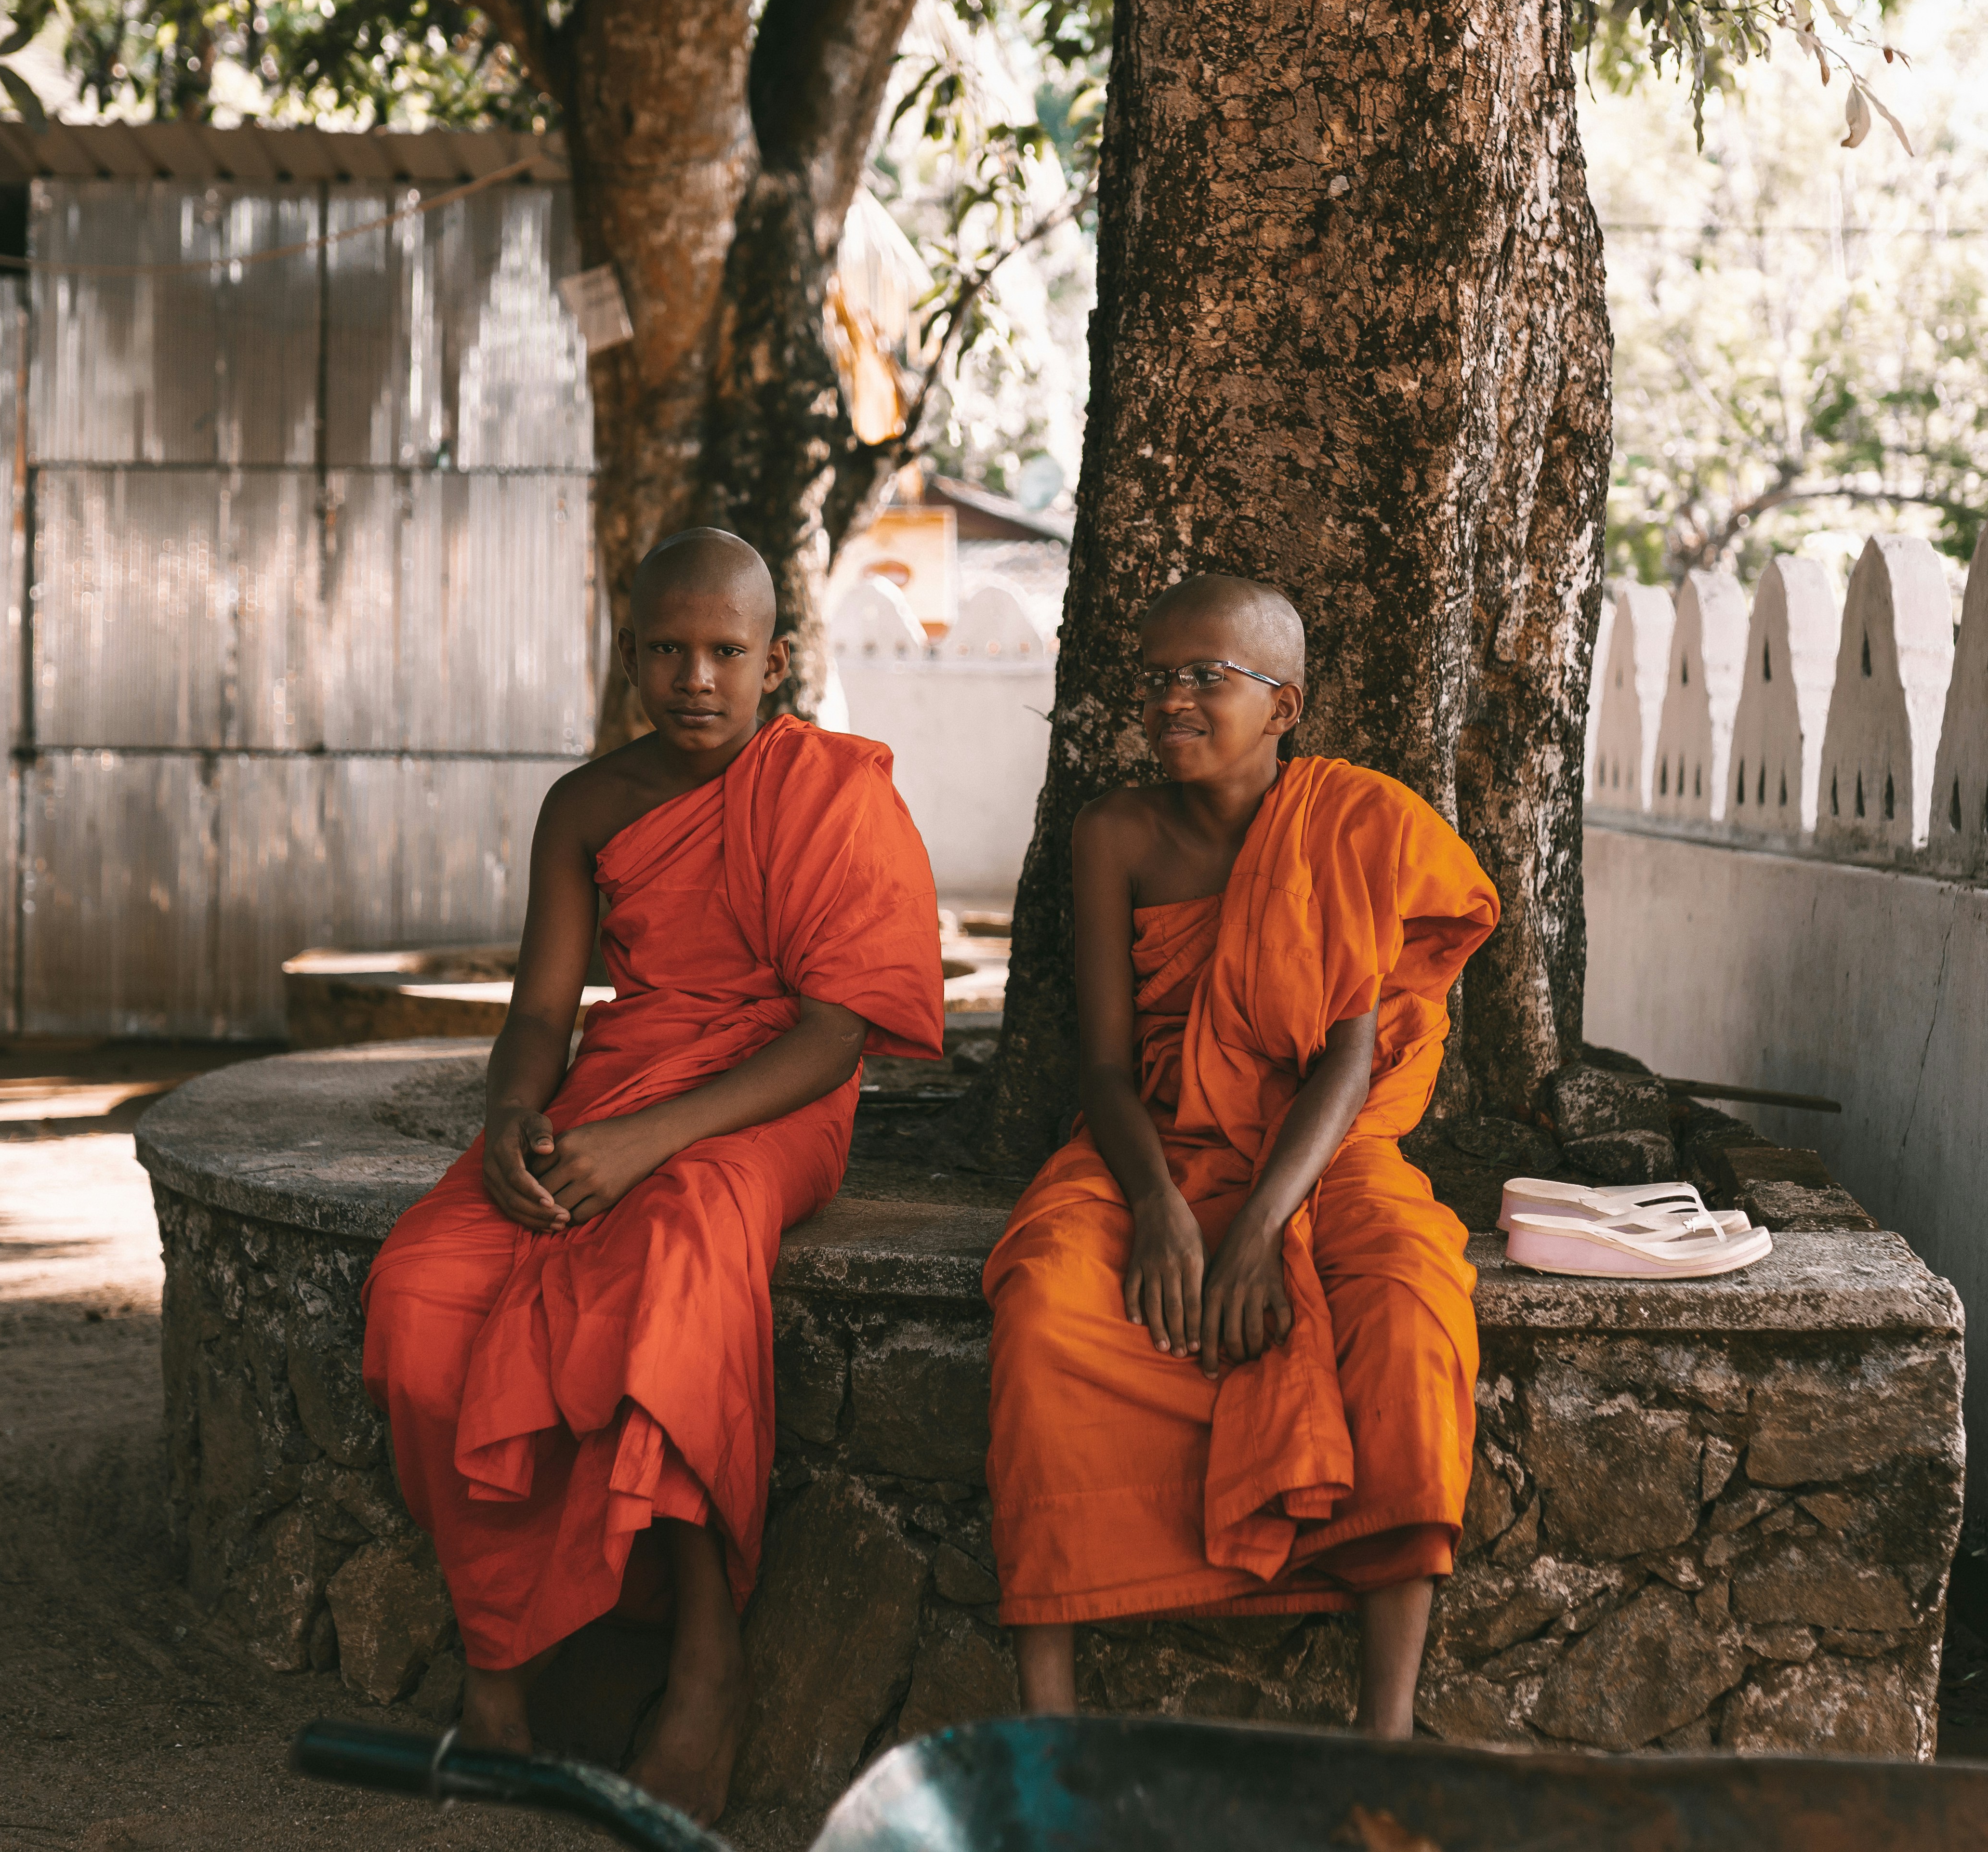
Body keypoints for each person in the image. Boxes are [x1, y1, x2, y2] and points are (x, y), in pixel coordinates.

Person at [362, 528, 943, 1820]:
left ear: (776, 661)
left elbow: (834, 1035)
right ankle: (501, 1668)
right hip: (616, 1083)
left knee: (677, 1258)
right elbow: (539, 1017)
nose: (696, 678)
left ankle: (704, 1662)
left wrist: (644, 1145)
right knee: (423, 1291)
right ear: (627, 658)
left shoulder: (830, 789)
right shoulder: (588, 804)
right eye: (668, 652)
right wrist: (515, 1117)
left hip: (770, 1098)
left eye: (726, 652)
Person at [980, 572, 1501, 1738]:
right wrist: (1161, 1208)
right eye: (1156, 677)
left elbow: (1347, 1060)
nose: (1172, 700)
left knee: (1411, 1304)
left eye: (1206, 677)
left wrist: (1260, 1229)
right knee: (1047, 1301)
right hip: (1154, 1141)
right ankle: (1049, 1727)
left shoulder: (1350, 822)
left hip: (1327, 1149)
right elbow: (1105, 1069)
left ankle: (1386, 1730)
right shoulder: (1113, 832)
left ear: (1285, 706)